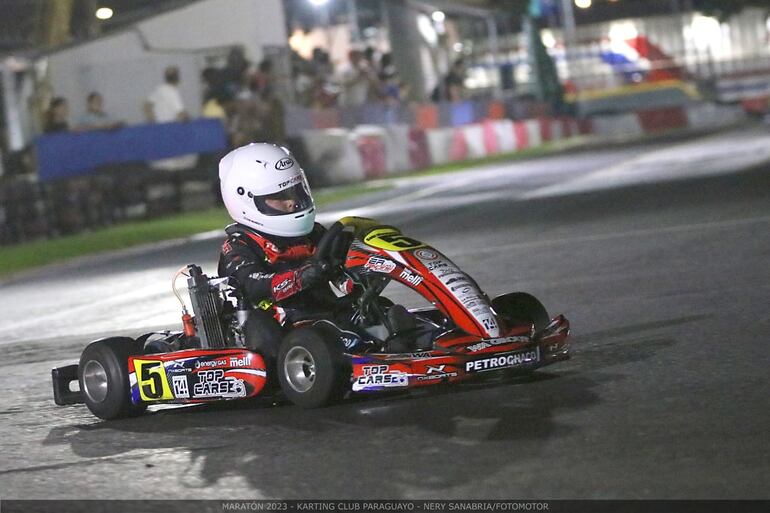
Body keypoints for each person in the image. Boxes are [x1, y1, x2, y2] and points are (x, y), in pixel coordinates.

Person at [217, 143, 416, 366]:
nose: (292, 201)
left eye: (294, 191)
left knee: (380, 309)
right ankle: (378, 350)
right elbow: (255, 286)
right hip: (284, 325)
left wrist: (363, 275)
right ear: (246, 200)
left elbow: (340, 274)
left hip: (326, 311)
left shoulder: (314, 233)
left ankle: (404, 341)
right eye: (280, 196)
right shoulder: (238, 246)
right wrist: (305, 275)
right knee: (329, 336)